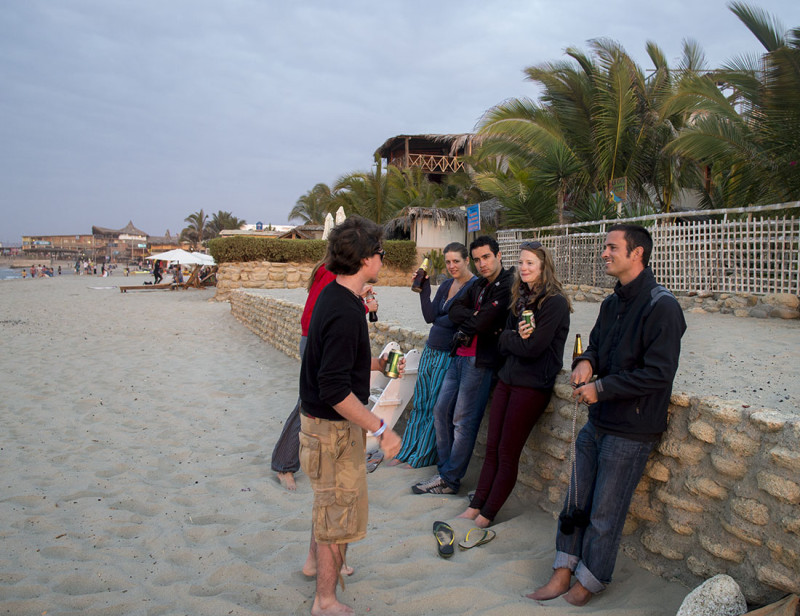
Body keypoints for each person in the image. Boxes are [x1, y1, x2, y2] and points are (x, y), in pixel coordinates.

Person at [527, 224, 686, 607]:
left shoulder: (662, 306)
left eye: (612, 248)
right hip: (597, 423)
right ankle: (562, 569)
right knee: (575, 501)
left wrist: (601, 388)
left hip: (631, 429)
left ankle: (590, 580)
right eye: (605, 247)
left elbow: (659, 373)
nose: (604, 254)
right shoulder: (611, 303)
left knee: (604, 513)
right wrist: (585, 362)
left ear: (637, 254)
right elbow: (596, 347)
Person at [298, 215, 402, 616]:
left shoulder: (338, 296)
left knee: (329, 504)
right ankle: (325, 601)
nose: (383, 258)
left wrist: (376, 364)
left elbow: (335, 362)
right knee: (337, 514)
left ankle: (313, 565)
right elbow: (335, 390)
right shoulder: (343, 310)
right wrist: (382, 428)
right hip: (332, 430)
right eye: (381, 252)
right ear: (365, 260)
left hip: (324, 428)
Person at [458, 241, 571, 527]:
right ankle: (475, 506)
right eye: (521, 263)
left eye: (530, 263)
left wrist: (514, 340)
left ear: (544, 266)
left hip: (532, 386)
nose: (523, 268)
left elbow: (533, 349)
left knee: (508, 453)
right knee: (492, 448)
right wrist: (513, 338)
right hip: (508, 379)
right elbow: (502, 339)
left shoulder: (554, 303)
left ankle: (487, 515)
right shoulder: (519, 297)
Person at [412, 235, 513, 495]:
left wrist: (477, 317)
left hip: (480, 361)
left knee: (462, 421)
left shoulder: (506, 285)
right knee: (439, 410)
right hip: (458, 355)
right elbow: (455, 312)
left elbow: (485, 322)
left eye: (486, 257)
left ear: (498, 255)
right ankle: (445, 471)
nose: (482, 264)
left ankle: (450, 478)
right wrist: (476, 315)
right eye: (478, 259)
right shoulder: (479, 285)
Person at [391, 242, 476, 469]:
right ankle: (408, 450)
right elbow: (430, 317)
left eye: (456, 261)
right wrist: (424, 289)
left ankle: (423, 457)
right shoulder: (447, 283)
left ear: (467, 260)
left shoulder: (474, 286)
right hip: (430, 349)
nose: (451, 266)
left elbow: (453, 321)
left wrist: (441, 318)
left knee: (434, 407)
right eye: (448, 262)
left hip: (448, 355)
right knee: (420, 403)